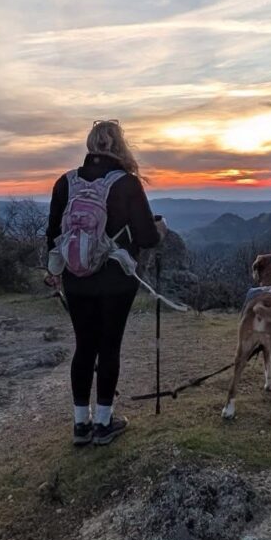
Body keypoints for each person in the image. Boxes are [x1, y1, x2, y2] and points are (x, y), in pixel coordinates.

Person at [45, 120, 166, 447]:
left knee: (84, 346)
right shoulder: (126, 183)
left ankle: (80, 424)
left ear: (90, 145)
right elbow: (146, 237)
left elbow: (53, 234)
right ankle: (103, 422)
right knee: (109, 346)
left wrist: (56, 269)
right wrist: (160, 230)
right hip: (116, 280)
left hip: (76, 277)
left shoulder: (65, 182)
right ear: (118, 146)